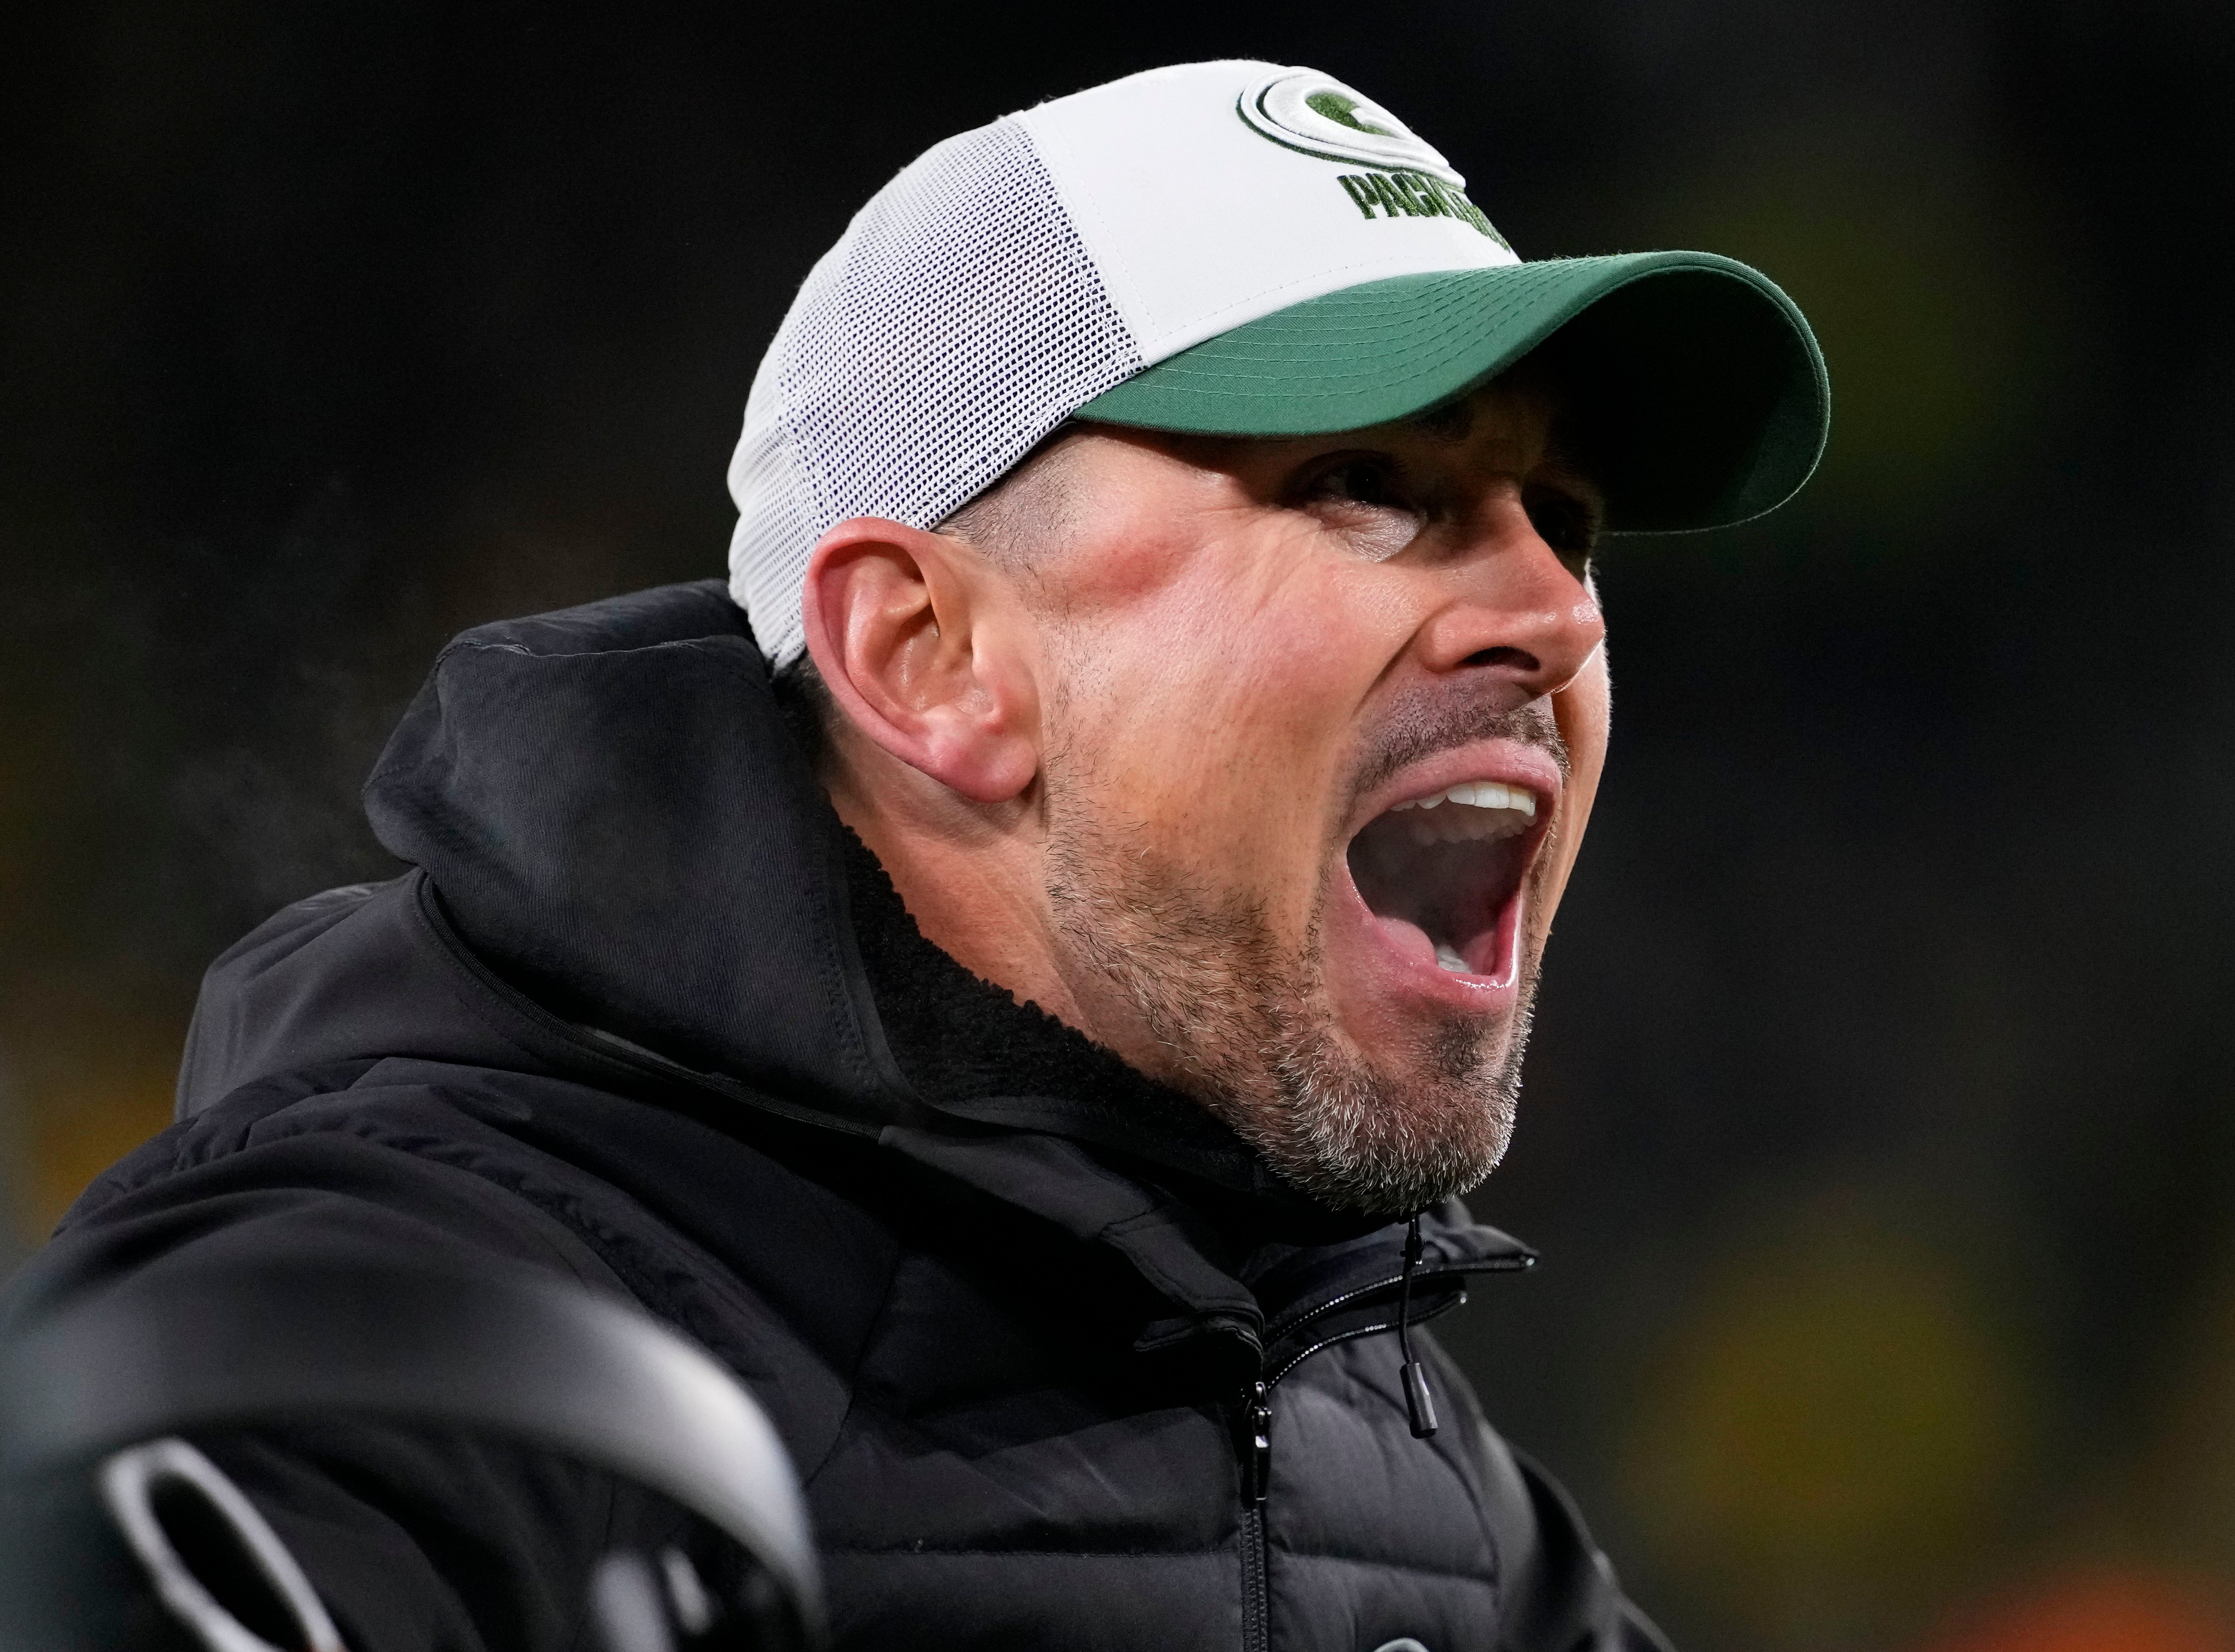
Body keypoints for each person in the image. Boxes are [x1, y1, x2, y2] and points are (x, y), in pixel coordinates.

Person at [2, 59, 1824, 1652]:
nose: (1553, 614)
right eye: (1371, 485)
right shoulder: (388, 1336)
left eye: (1562, 519)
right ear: (924, 654)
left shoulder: (1401, 1457)